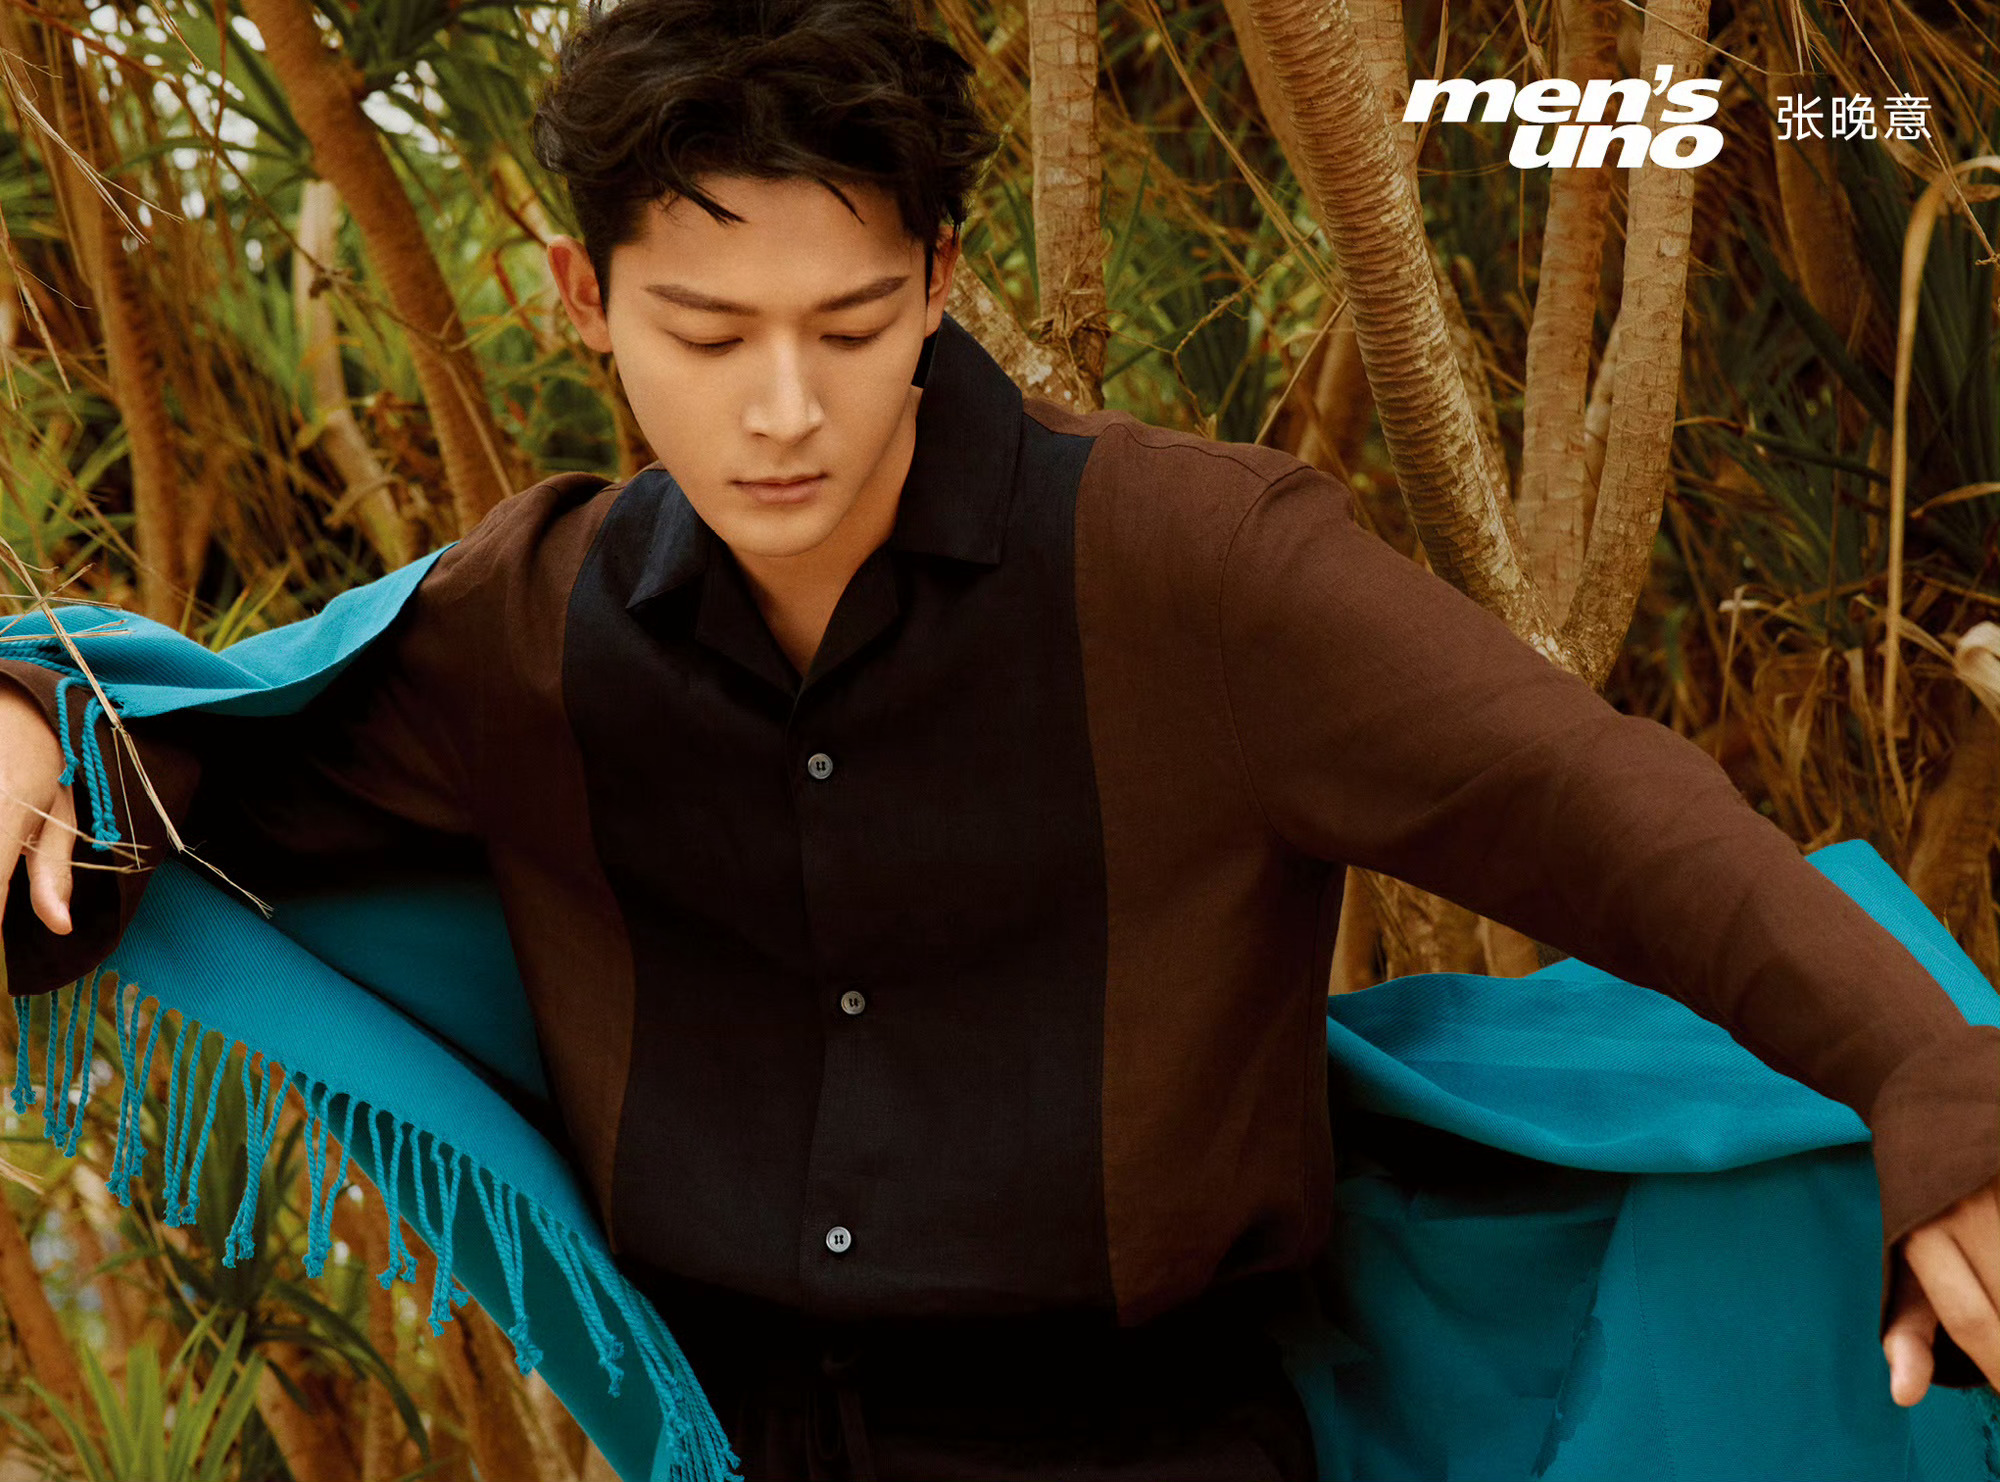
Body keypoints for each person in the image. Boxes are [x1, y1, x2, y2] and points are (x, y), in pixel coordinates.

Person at [1, 1, 1996, 1478]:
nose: (784, 409)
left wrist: (1930, 1079)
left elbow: (1592, 804)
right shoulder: (528, 632)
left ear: (945, 279)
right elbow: (197, 749)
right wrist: (25, 719)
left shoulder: (1198, 575)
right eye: (707, 333)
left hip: (1156, 1440)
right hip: (734, 1438)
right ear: (578, 297)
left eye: (852, 322)